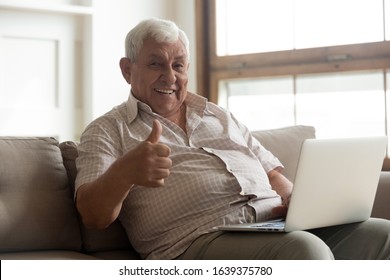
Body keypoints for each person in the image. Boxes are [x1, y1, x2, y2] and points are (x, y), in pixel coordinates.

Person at [75, 18, 390, 260]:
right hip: (195, 245)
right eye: (155, 63)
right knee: (305, 252)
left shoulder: (219, 116)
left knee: (383, 235)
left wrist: (297, 199)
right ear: (127, 70)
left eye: (179, 65)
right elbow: (93, 216)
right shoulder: (107, 130)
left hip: (273, 227)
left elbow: (271, 172)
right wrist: (125, 173)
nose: (170, 76)